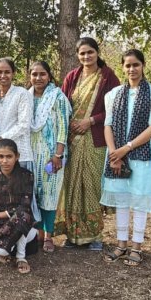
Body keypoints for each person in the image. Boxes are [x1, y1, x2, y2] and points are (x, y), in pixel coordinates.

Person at [101, 49, 151, 267]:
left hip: (141, 155)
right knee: (121, 200)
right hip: (116, 156)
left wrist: (125, 149)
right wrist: (114, 154)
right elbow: (107, 125)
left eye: (136, 64)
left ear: (143, 65)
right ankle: (121, 245)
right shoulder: (113, 94)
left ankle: (136, 247)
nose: (132, 69)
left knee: (139, 200)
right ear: (123, 67)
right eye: (127, 65)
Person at [56, 37, 119, 251]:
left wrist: (90, 120)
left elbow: (115, 107)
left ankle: (95, 235)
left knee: (91, 186)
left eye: (90, 52)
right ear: (77, 55)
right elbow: (62, 104)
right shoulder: (72, 76)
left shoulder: (108, 76)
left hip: (96, 138)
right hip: (73, 140)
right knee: (72, 185)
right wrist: (70, 123)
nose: (86, 57)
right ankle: (73, 235)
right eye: (82, 53)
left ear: (97, 52)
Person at [28, 61, 71, 253]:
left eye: (42, 74)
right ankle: (36, 232)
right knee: (34, 194)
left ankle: (48, 236)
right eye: (34, 74)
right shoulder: (26, 96)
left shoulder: (57, 97)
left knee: (50, 195)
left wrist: (58, 155)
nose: (38, 78)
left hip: (51, 154)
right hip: (30, 153)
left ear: (49, 76)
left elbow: (63, 127)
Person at [0, 139, 38, 274]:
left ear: (17, 156)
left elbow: (24, 206)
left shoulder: (27, 176)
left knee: (22, 215)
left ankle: (21, 257)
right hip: (3, 226)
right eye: (1, 156)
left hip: (25, 223)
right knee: (1, 250)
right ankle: (5, 248)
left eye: (9, 156)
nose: (4, 161)